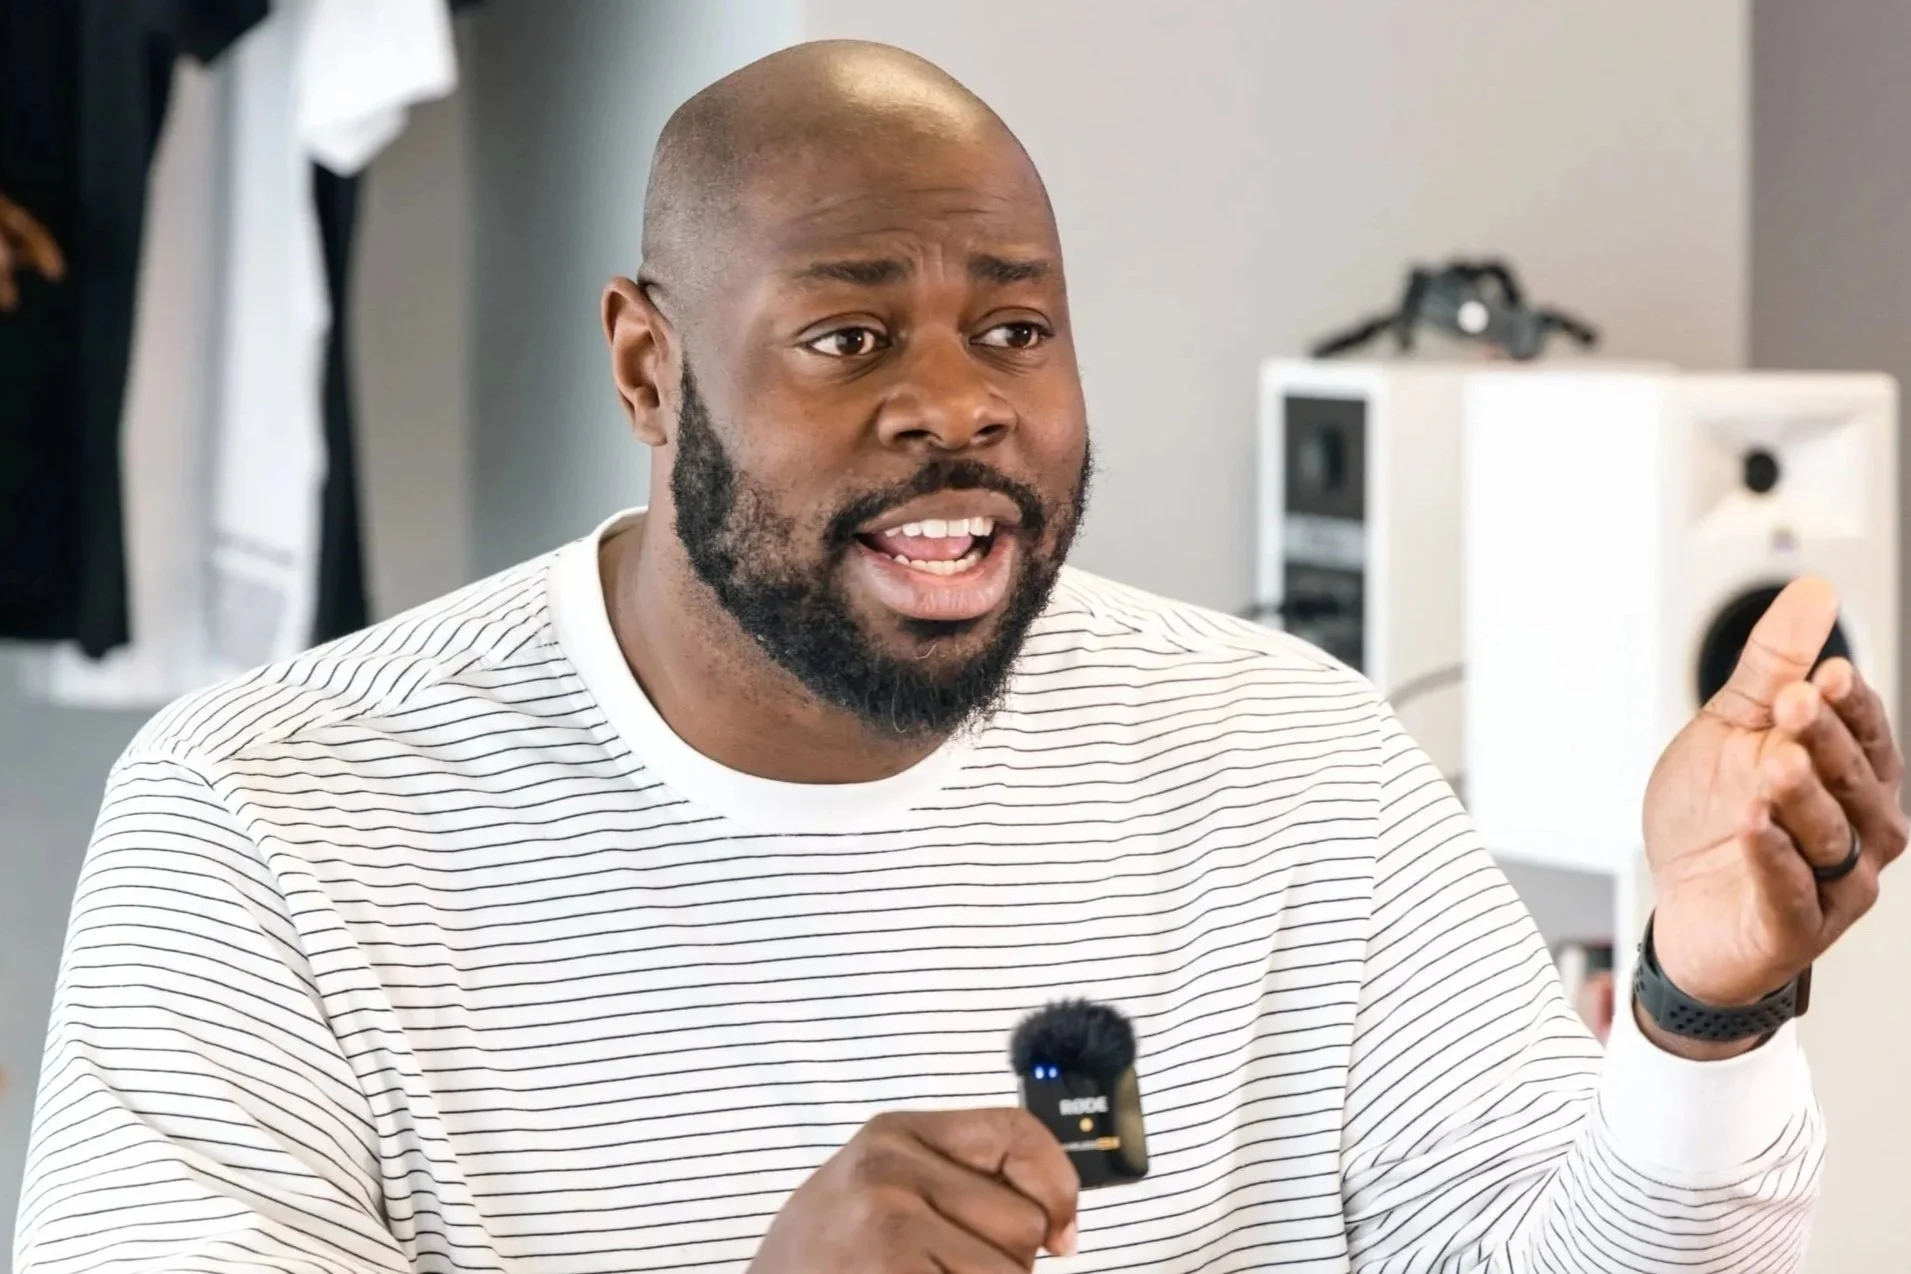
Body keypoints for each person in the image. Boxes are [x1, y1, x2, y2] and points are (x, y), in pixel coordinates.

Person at [13, 41, 1903, 1274]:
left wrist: (1699, 1009)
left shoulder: (1293, 759)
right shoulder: (267, 815)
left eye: (1016, 331)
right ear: (646, 362)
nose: (958, 409)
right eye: (848, 338)